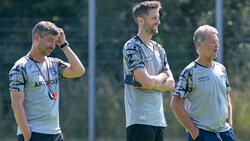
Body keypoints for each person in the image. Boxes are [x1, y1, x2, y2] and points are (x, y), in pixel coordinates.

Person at [9, 21, 85, 141]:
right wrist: (27, 134)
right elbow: (16, 104)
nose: (53, 45)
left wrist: (64, 45)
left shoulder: (54, 63)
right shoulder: (20, 67)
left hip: (56, 133)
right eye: (50, 40)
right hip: (34, 133)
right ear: (37, 37)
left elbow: (79, 71)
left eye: (55, 41)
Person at [170, 25, 235, 141]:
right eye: (212, 42)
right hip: (202, 134)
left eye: (217, 42)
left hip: (225, 133)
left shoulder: (221, 69)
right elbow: (175, 104)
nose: (217, 45)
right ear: (199, 45)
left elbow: (226, 97)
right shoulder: (190, 72)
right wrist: (194, 132)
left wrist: (229, 124)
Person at [123, 1, 175, 141]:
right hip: (140, 119)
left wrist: (152, 82)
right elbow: (145, 81)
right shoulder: (132, 47)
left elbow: (171, 84)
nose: (158, 21)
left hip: (158, 119)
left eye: (158, 17)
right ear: (141, 20)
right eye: (154, 18)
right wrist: (162, 76)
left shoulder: (159, 49)